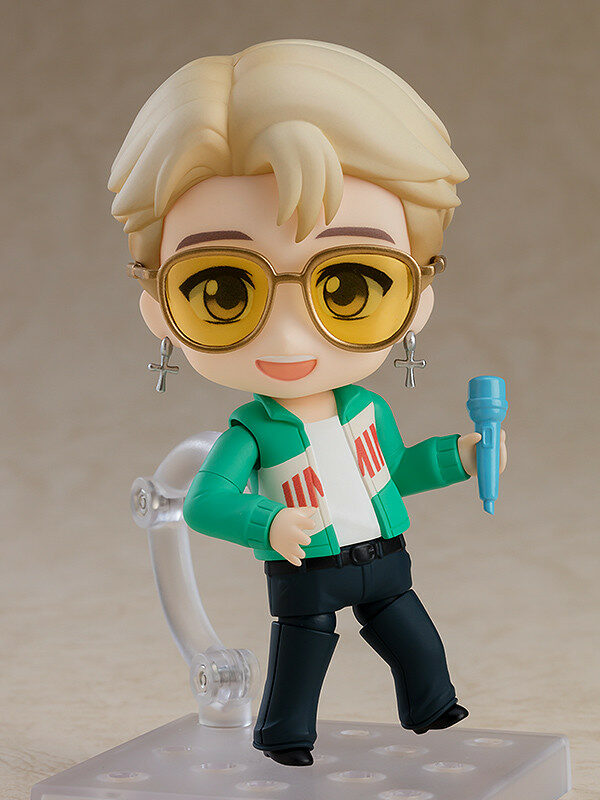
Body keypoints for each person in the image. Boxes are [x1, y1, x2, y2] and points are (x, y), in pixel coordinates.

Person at [109, 39, 507, 767]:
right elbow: (204, 504)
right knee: (302, 650)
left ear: (417, 300)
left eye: (350, 286)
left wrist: (463, 454)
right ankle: (284, 734)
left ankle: (430, 702)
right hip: (306, 566)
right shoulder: (254, 430)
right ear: (159, 310)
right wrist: (269, 521)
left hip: (383, 556)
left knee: (414, 637)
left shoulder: (366, 412)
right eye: (222, 290)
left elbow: (396, 470)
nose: (290, 334)